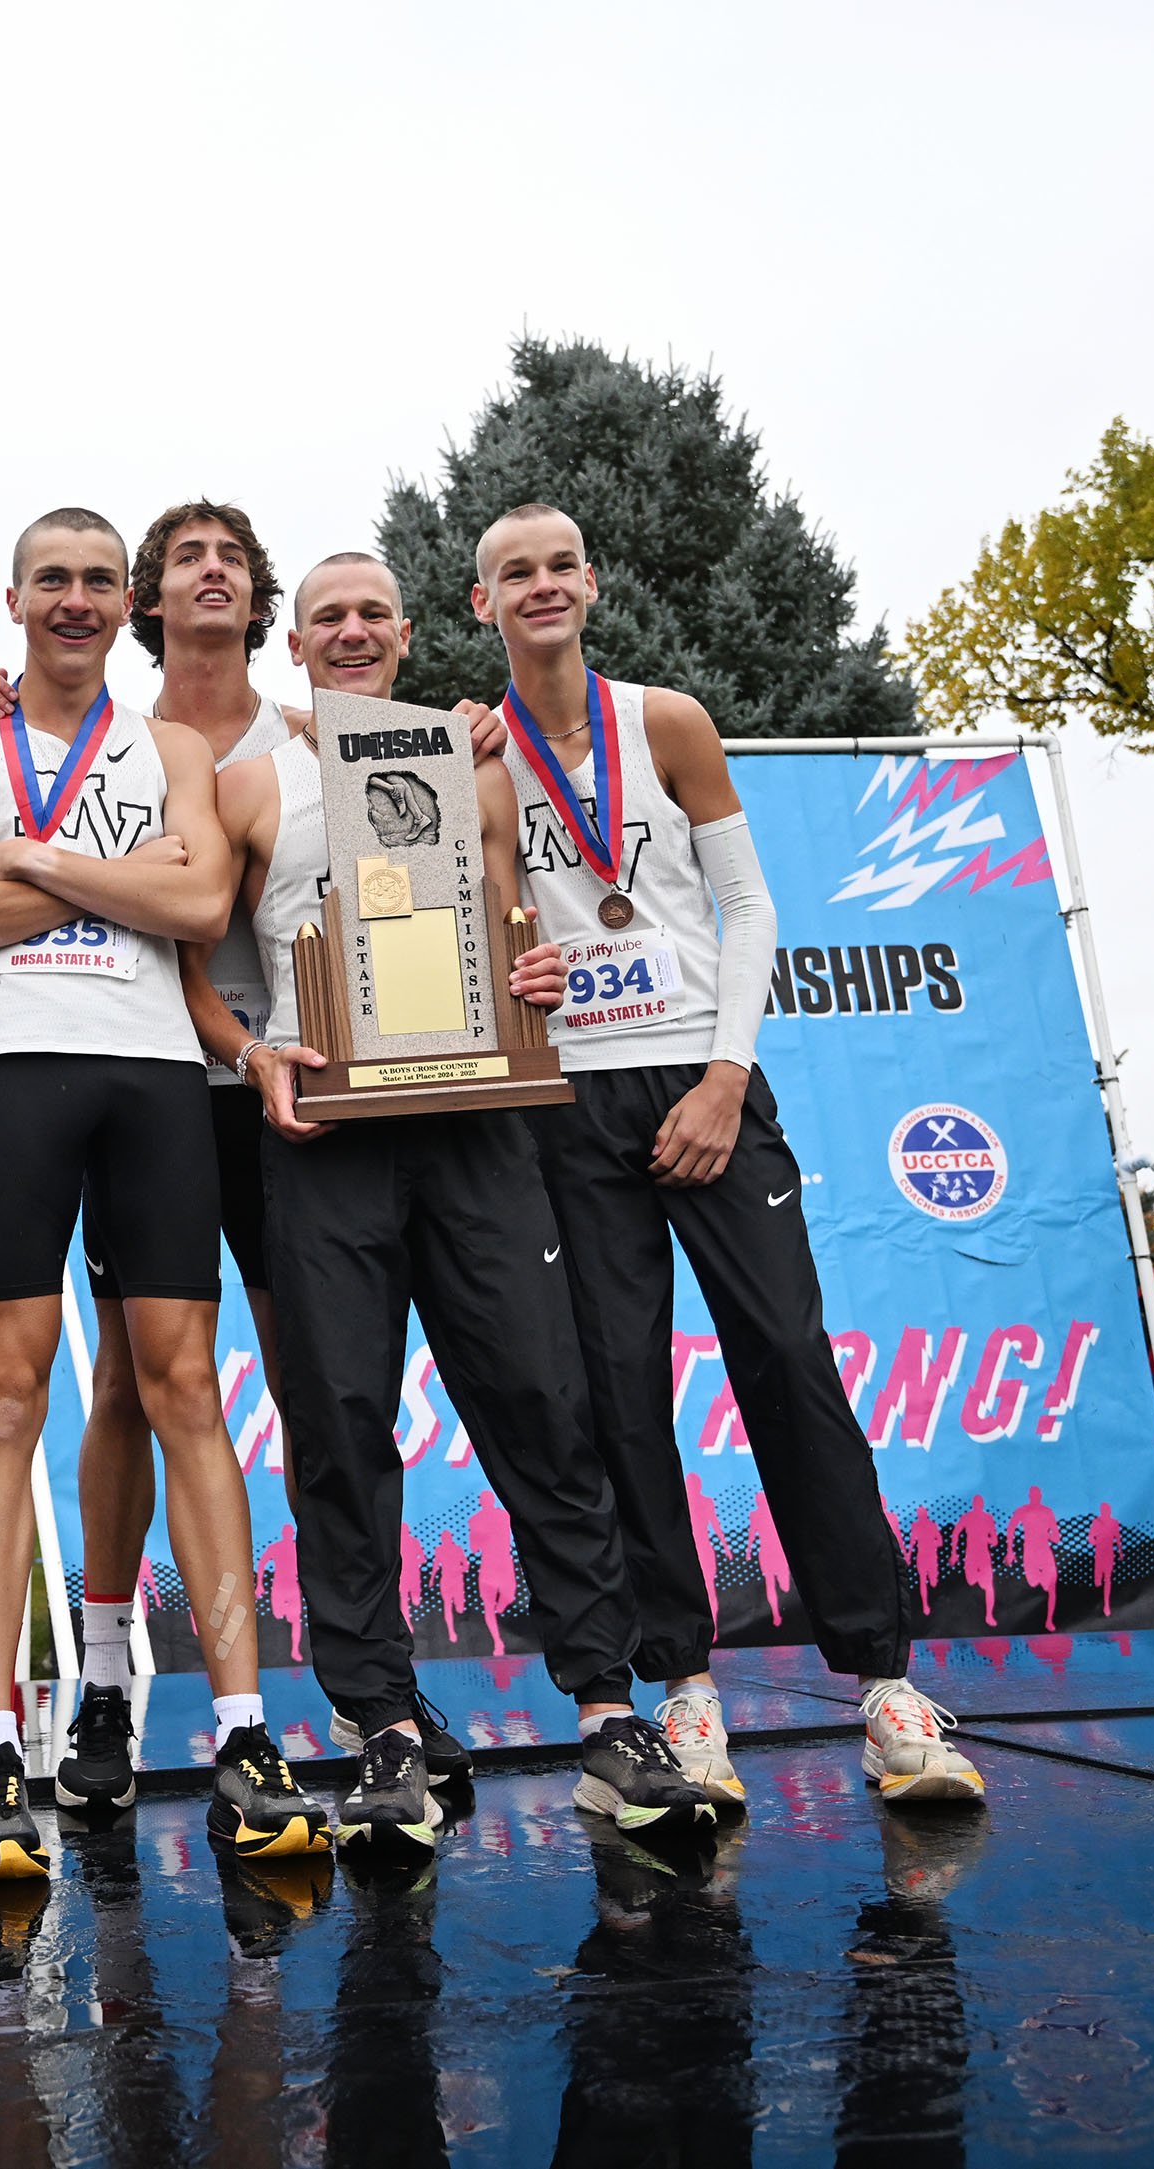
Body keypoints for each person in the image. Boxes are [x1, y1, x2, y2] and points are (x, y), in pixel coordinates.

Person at [194, 549, 710, 1846]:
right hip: (327, 1139)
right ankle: (381, 1729)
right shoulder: (250, 783)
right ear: (294, 646)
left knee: (544, 1404)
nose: (353, 630)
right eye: (328, 618)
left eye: (373, 611)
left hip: (480, 1128)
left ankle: (606, 1712)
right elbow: (187, 966)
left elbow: (518, 918)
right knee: (343, 1426)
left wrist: (536, 966)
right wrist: (252, 1052)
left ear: (409, 634)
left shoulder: (472, 757)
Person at [471, 502, 983, 1806]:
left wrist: (723, 1071)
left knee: (790, 1364)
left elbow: (749, 903)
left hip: (704, 1083)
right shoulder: (475, 751)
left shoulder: (668, 722)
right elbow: (449, 921)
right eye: (512, 572)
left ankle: (883, 1687)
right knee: (618, 1393)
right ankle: (686, 1692)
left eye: (558, 565)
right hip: (568, 1098)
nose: (540, 585)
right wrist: (502, 964)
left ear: (591, 582)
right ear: (481, 604)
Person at [0, 506, 329, 1880]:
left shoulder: (181, 748)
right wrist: (119, 884)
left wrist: (26, 857)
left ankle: (245, 1730)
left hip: (156, 1079)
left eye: (100, 581)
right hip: (21, 1069)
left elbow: (205, 911)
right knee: (11, 1394)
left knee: (183, 1385)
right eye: (55, 581)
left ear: (124, 599)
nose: (77, 600)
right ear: (15, 596)